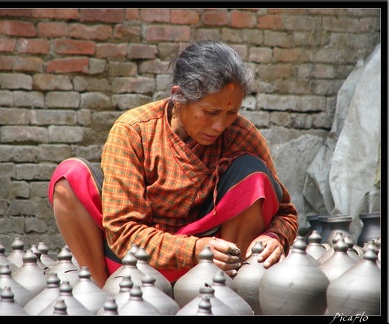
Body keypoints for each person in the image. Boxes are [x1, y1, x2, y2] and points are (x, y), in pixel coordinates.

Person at [48, 39, 298, 288]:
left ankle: (229, 292)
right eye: (210, 112)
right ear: (178, 97)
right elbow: (124, 235)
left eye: (231, 113)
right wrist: (195, 249)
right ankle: (104, 294)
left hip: (214, 264)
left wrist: (275, 237)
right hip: (135, 262)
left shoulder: (241, 135)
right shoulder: (134, 131)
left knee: (253, 175)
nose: (220, 125)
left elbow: (286, 214)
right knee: (70, 177)